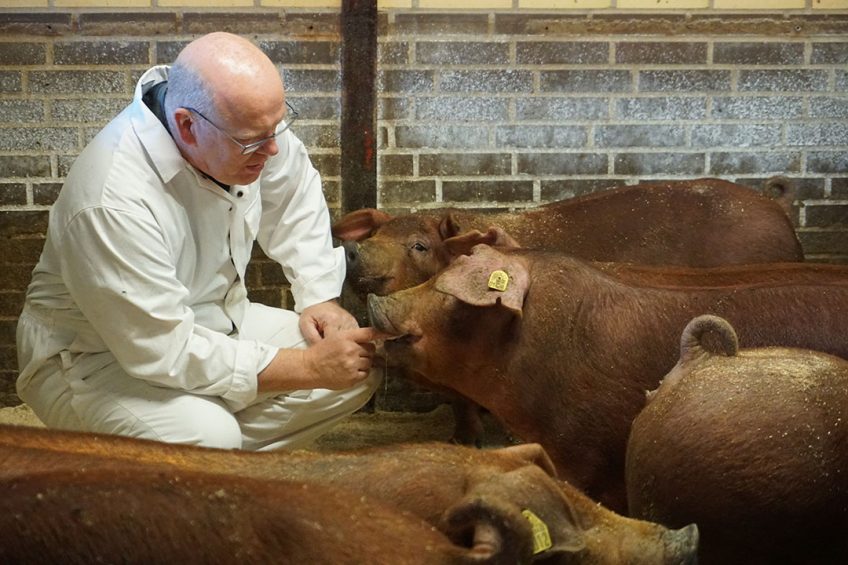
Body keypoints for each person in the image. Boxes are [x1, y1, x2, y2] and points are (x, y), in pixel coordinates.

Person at [15, 32, 383, 451]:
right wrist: (308, 367)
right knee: (209, 435)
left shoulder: (247, 128)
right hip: (96, 356)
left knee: (357, 367)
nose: (273, 148)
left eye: (277, 126)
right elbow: (162, 348)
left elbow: (293, 198)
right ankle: (189, 460)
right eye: (254, 141)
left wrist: (319, 297)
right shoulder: (112, 198)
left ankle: (194, 466)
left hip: (216, 319)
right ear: (188, 126)